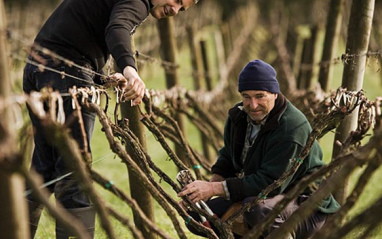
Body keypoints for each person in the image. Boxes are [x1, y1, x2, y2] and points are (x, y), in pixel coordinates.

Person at [23, 0, 198, 238]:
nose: (175, 11)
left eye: (182, 9)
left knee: (43, 171)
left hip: (39, 69)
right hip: (66, 75)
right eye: (177, 1)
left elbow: (88, 27)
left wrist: (99, 77)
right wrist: (130, 69)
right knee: (75, 173)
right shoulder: (138, 2)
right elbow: (117, 28)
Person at [177, 59, 340, 238]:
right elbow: (227, 158)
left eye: (260, 96)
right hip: (264, 198)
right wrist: (204, 192)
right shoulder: (238, 116)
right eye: (246, 96)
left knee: (256, 209)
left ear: (275, 94)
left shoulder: (291, 127)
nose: (252, 105)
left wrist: (214, 189)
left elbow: (270, 183)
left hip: (307, 206)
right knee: (196, 216)